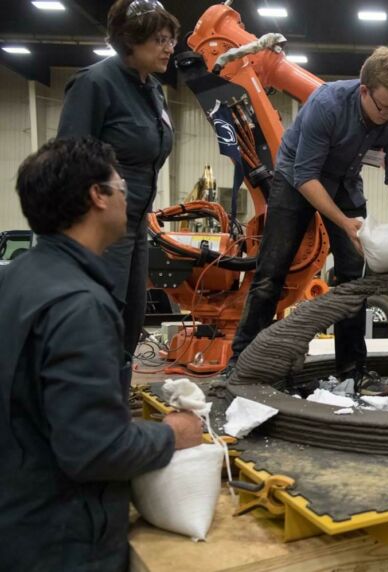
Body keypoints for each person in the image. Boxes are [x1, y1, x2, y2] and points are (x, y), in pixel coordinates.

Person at [0, 138, 202, 571]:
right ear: (97, 195)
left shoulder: (15, 279)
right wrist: (171, 434)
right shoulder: (79, 304)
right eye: (122, 185)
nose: (127, 196)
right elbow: (93, 450)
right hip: (61, 542)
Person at [226, 47, 388, 395]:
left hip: (344, 180)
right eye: (384, 107)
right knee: (271, 274)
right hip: (296, 178)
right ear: (365, 90)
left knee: (353, 275)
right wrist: (344, 223)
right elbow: (306, 177)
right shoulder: (328, 103)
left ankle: (353, 370)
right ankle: (241, 365)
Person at [58, 0, 178, 357]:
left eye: (171, 38)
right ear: (130, 40)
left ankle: (115, 403)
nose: (170, 47)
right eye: (159, 39)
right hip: (98, 227)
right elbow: (67, 163)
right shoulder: (94, 84)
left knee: (129, 323)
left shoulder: (153, 90)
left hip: (137, 223)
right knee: (97, 325)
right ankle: (85, 405)